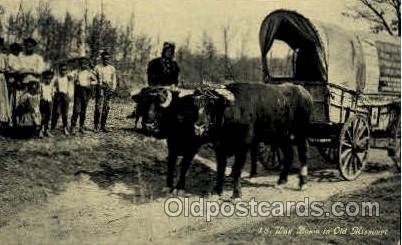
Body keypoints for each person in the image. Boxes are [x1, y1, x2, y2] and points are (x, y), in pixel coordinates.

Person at [70, 57, 96, 134]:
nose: (83, 65)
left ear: (87, 64)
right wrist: (74, 80)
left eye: (85, 63)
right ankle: (73, 126)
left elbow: (95, 81)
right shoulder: (76, 72)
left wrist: (90, 84)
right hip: (78, 92)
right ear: (79, 64)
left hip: (86, 92)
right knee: (76, 110)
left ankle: (81, 126)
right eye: (81, 63)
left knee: (83, 110)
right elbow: (69, 77)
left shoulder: (89, 72)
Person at [93, 51, 117, 132]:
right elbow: (93, 78)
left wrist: (113, 88)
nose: (106, 60)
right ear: (102, 59)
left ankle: (103, 125)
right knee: (98, 107)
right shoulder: (97, 68)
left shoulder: (112, 68)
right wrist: (98, 84)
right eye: (104, 59)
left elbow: (114, 79)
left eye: (107, 59)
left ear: (109, 59)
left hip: (108, 88)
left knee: (106, 107)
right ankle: (96, 125)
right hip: (100, 88)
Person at [51, 63, 70, 135]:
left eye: (65, 70)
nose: (63, 71)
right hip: (58, 96)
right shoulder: (56, 78)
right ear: (59, 70)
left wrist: (69, 95)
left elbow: (71, 87)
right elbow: (52, 86)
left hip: (65, 95)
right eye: (62, 70)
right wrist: (53, 92)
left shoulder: (68, 77)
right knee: (56, 112)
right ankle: (52, 127)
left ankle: (65, 127)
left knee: (65, 113)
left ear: (66, 70)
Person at [39, 70, 54, 138]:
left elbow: (52, 94)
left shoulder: (51, 86)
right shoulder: (41, 85)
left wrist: (51, 102)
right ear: (44, 78)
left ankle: (46, 130)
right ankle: (41, 130)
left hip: (49, 102)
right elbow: (39, 94)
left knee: (48, 117)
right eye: (47, 78)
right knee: (43, 117)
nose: (48, 80)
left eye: (50, 78)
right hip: (43, 102)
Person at [0, 37, 11, 128]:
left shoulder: (4, 56)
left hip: (1, 78)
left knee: (2, 99)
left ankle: (2, 121)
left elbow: (7, 69)